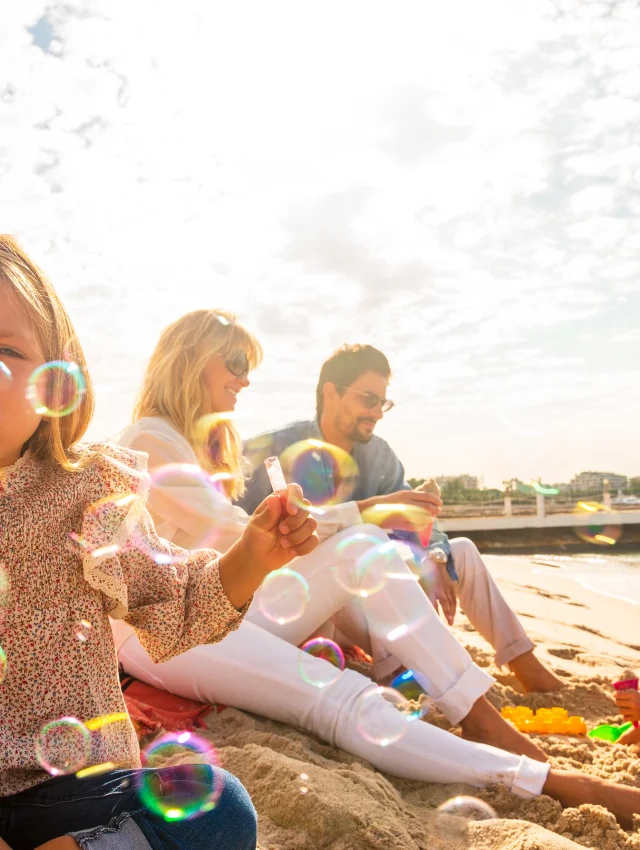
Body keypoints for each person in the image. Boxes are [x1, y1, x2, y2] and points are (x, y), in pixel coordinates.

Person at [113, 309, 640, 828]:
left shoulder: (201, 445)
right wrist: (366, 509)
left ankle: (477, 715)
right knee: (340, 698)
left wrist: (376, 537)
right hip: (165, 629)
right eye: (233, 362)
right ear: (188, 360)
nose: (244, 379)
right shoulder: (149, 440)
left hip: (219, 606)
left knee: (365, 547)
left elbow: (245, 559)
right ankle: (546, 780)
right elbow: (234, 534)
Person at [0, 237, 317, 850]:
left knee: (217, 808)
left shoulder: (84, 493)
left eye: (5, 349)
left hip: (65, 790)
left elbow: (175, 597)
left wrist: (252, 555)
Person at [239, 343, 563, 694]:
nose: (377, 412)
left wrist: (436, 554)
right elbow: (242, 535)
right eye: (368, 399)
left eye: (383, 403)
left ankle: (524, 664)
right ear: (331, 393)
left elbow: (416, 517)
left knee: (462, 551)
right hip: (304, 601)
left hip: (366, 601)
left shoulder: (378, 454)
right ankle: (400, 677)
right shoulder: (271, 451)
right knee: (359, 553)